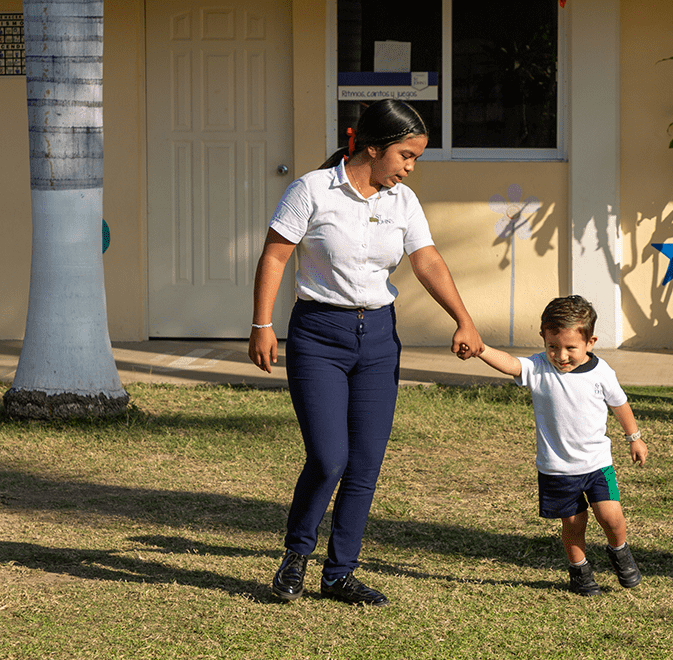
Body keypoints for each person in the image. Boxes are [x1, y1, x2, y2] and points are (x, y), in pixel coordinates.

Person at [248, 99, 484, 607]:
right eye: (406, 155)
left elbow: (428, 263)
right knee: (329, 457)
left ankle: (339, 575)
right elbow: (275, 255)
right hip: (318, 336)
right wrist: (262, 325)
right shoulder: (311, 190)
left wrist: (463, 318)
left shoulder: (404, 203)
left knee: (365, 465)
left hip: (377, 338)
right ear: (373, 148)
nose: (410, 167)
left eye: (415, 158)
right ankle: (296, 555)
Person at [469, 295, 647, 595]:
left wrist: (634, 438)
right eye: (553, 346)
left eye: (570, 348)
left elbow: (620, 404)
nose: (561, 355)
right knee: (574, 524)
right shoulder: (538, 367)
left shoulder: (601, 372)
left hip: (597, 465)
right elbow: (511, 365)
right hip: (557, 469)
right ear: (543, 339)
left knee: (611, 517)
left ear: (591, 342)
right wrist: (482, 349)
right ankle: (580, 572)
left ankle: (619, 551)